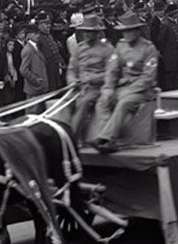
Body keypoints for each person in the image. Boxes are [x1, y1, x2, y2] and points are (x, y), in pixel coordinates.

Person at [91, 11, 159, 153]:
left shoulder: (149, 48)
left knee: (124, 103)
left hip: (142, 90)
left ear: (137, 31)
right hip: (122, 87)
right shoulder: (121, 46)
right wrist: (108, 88)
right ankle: (104, 137)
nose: (126, 34)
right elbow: (112, 69)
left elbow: (148, 77)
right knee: (103, 101)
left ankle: (108, 138)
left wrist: (130, 90)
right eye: (124, 31)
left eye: (129, 31)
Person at [66, 14, 114, 141]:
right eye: (84, 32)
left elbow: (112, 72)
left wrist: (93, 79)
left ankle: (72, 136)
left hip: (98, 88)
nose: (86, 34)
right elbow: (71, 69)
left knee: (85, 101)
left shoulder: (107, 49)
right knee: (66, 103)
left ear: (97, 33)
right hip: (79, 87)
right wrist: (72, 81)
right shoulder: (79, 48)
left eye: (90, 32)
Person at [20, 23, 48, 114]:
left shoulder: (35, 47)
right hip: (33, 89)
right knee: (32, 115)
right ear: (29, 35)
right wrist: (36, 80)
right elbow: (23, 70)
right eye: (35, 34)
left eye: (38, 33)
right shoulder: (28, 49)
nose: (38, 36)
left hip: (39, 89)